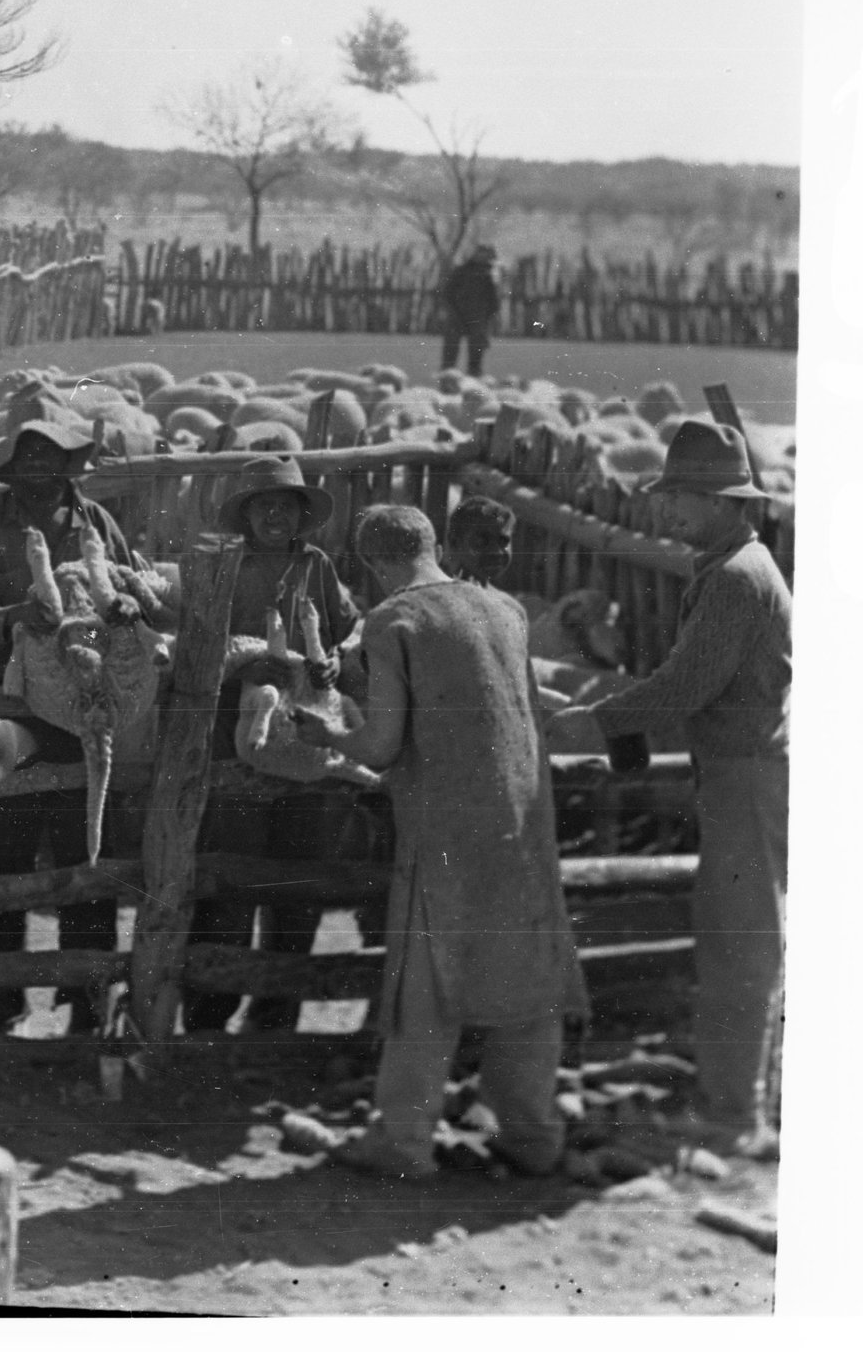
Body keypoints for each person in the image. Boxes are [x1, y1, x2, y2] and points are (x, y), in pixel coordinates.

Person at [297, 504, 586, 1178]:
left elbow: (381, 744)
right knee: (525, 974)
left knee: (428, 982)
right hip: (521, 819)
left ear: (372, 562)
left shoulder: (392, 620)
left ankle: (402, 1142)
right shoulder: (506, 609)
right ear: (433, 544)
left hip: (448, 825)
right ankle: (534, 1135)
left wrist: (326, 736)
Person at [549, 420, 789, 1159]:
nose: (668, 510)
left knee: (738, 942)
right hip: (742, 769)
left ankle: (733, 1115)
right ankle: (741, 1097)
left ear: (723, 503)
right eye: (668, 495)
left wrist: (587, 726)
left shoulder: (734, 579)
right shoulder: (736, 564)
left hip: (748, 775)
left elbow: (687, 685)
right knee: (740, 935)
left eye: (683, 497)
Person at [0, 393, 139, 1035]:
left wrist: (125, 610)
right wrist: (10, 620)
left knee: (88, 846)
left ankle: (85, 1001)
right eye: (26, 456)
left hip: (84, 704)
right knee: (7, 841)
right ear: (10, 466)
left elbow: (129, 589)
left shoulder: (98, 523)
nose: (37, 468)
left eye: (48, 456)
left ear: (67, 464)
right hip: (13, 704)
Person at [185, 455, 367, 1034]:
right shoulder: (222, 563)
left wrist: (335, 658)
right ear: (244, 514)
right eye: (263, 505)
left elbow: (345, 630)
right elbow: (195, 642)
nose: (274, 515)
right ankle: (212, 1008)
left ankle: (277, 1011)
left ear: (300, 513)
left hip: (306, 732)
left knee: (298, 876)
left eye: (285, 505)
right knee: (231, 874)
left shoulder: (316, 565)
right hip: (237, 734)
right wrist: (247, 661)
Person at [439, 244, 501, 377]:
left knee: (476, 355)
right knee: (450, 353)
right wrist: (453, 313)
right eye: (482, 255)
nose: (485, 259)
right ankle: (447, 379)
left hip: (477, 319)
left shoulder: (488, 276)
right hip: (456, 316)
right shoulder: (461, 271)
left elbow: (494, 302)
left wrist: (487, 319)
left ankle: (473, 379)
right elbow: (447, 294)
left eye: (488, 257)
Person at [442, 495, 517, 587]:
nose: (496, 552)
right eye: (481, 541)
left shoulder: (501, 600)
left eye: (503, 541)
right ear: (455, 542)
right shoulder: (441, 594)